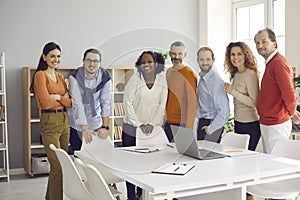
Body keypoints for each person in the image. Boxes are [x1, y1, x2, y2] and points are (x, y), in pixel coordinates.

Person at [122, 51, 167, 200]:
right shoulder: (135, 80)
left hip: (150, 130)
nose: (146, 64)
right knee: (130, 166)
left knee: (146, 165)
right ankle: (131, 196)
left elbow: (162, 104)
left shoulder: (162, 80)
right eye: (143, 62)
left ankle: (142, 195)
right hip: (131, 129)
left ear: (156, 63)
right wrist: (139, 124)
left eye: (149, 61)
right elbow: (127, 104)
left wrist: (152, 123)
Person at [30, 42, 71, 200]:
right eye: (52, 56)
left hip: (64, 121)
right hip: (50, 121)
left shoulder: (60, 76)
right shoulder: (40, 75)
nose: (56, 59)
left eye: (58, 56)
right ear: (44, 57)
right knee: (57, 167)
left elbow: (71, 102)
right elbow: (46, 103)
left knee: (63, 166)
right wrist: (62, 99)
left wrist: (58, 97)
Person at [254, 28, 300, 153]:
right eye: (257, 43)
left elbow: (289, 94)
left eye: (264, 41)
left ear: (274, 43)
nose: (260, 46)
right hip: (269, 123)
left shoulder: (278, 63)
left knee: (276, 163)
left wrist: (291, 113)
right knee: (271, 161)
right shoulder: (271, 63)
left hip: (276, 124)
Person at [68, 48, 112, 154]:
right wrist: (85, 129)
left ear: (100, 63)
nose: (92, 64)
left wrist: (105, 127)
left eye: (95, 61)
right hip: (77, 125)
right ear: (83, 61)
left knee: (97, 156)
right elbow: (77, 104)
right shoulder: (74, 77)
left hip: (96, 123)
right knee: (78, 157)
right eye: (88, 60)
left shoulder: (105, 77)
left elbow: (105, 103)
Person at [224, 42, 261, 151]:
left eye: (239, 54)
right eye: (233, 54)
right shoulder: (235, 74)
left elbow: (254, 102)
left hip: (251, 125)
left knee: (246, 160)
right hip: (238, 123)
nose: (236, 57)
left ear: (245, 55)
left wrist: (233, 92)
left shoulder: (250, 75)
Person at [164, 41, 197, 142]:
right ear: (169, 54)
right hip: (168, 122)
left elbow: (192, 103)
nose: (176, 57)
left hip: (182, 124)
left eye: (180, 54)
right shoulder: (169, 72)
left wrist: (189, 127)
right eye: (174, 53)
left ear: (185, 55)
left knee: (181, 156)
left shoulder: (189, 74)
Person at [196, 47, 230, 143]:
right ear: (197, 61)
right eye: (201, 59)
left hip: (211, 125)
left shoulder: (215, 81)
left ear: (213, 60)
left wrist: (210, 129)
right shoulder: (203, 78)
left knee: (209, 157)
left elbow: (224, 112)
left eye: (208, 59)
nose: (204, 62)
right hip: (203, 122)